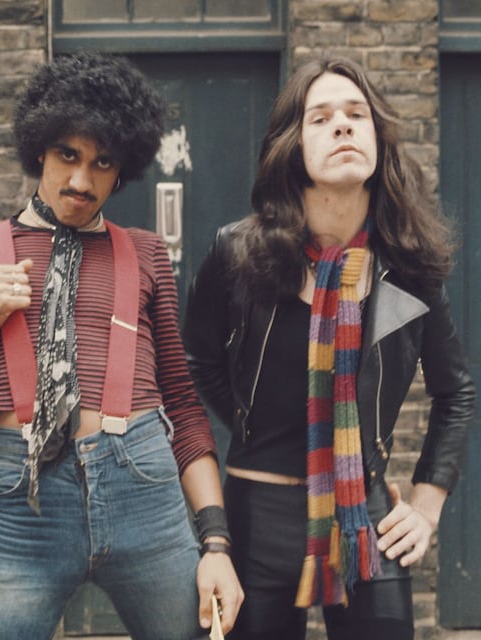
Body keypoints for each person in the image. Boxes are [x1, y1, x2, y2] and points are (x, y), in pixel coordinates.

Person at [0, 52, 243, 639]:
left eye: (101, 163)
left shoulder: (146, 252)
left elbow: (183, 407)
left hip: (144, 488)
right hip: (26, 509)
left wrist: (215, 542)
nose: (81, 181)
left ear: (122, 171)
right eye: (68, 155)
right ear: (40, 149)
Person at [183, 53, 476, 640]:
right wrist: (243, 417)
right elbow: (196, 363)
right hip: (256, 515)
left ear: (377, 139)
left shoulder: (411, 269)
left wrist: (425, 506)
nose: (342, 125)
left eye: (355, 114)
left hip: (364, 510)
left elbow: (456, 393)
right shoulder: (236, 252)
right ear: (291, 147)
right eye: (319, 118)